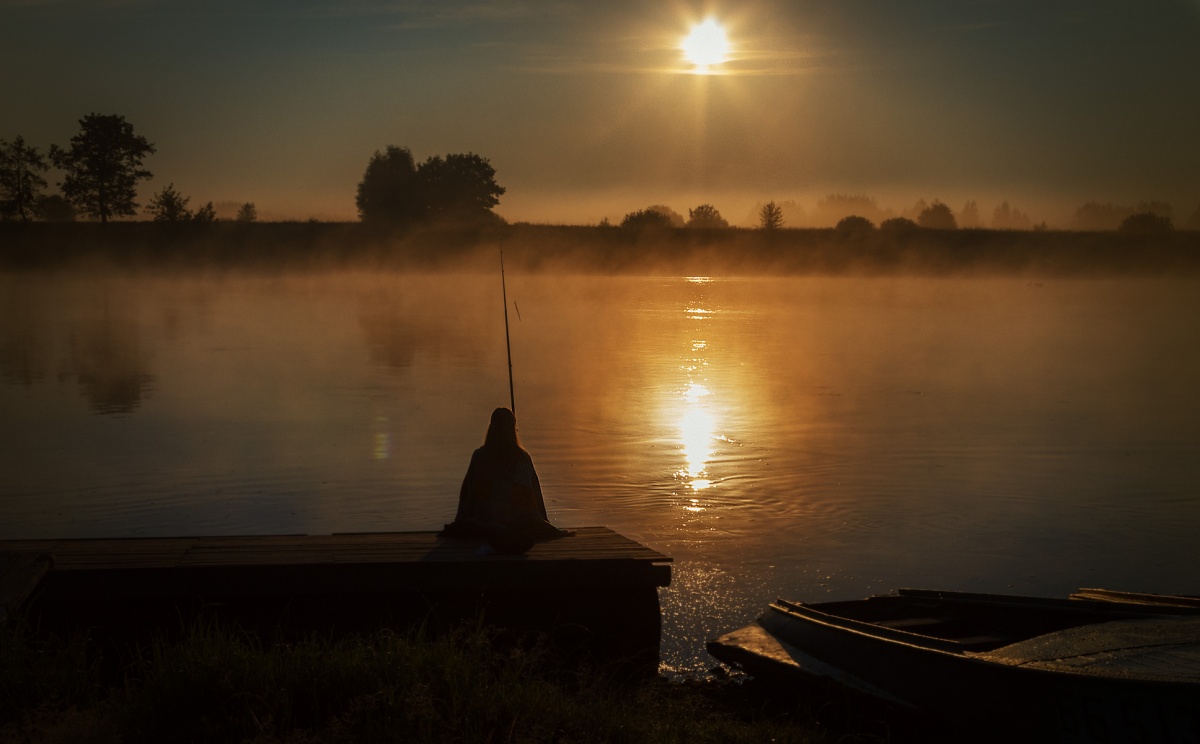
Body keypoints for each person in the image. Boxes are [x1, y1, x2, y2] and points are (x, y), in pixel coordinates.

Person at [440, 407, 574, 553]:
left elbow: (467, 494)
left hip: (482, 520)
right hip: (515, 522)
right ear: (512, 429)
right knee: (531, 524)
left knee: (472, 526)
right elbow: (529, 495)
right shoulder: (521, 458)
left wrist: (463, 519)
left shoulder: (479, 455)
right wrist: (541, 520)